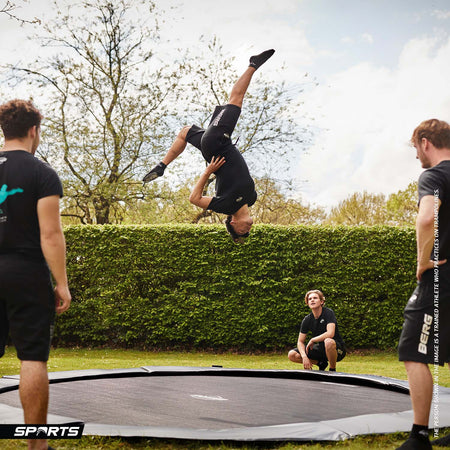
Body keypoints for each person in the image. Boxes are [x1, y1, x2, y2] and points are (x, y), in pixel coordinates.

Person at [143, 49, 275, 243]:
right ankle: (162, 166)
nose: (247, 230)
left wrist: (207, 172)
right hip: (219, 144)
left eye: (242, 233)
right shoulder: (252, 198)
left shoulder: (225, 206)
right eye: (247, 234)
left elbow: (194, 199)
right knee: (185, 132)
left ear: (232, 223)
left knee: (236, 100)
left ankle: (253, 64)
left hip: (216, 143)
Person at [0, 99, 71, 450]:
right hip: (25, 270)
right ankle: (37, 446)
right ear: (33, 130)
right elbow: (51, 235)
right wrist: (62, 283)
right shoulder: (42, 173)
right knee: (31, 357)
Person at [397, 119, 450, 450]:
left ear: (426, 142)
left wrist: (421, 262)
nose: (417, 156)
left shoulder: (434, 176)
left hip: (441, 276)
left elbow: (428, 217)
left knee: (413, 351)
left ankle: (419, 437)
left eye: (416, 147)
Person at [288, 290, 346, 371]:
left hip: (337, 349)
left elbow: (330, 333)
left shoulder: (328, 313)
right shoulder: (307, 319)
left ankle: (332, 370)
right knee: (292, 354)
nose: (312, 300)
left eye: (315, 298)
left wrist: (313, 339)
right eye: (310, 299)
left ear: (321, 302)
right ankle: (320, 363)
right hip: (321, 349)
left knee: (328, 341)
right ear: (307, 303)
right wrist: (304, 356)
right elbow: (300, 342)